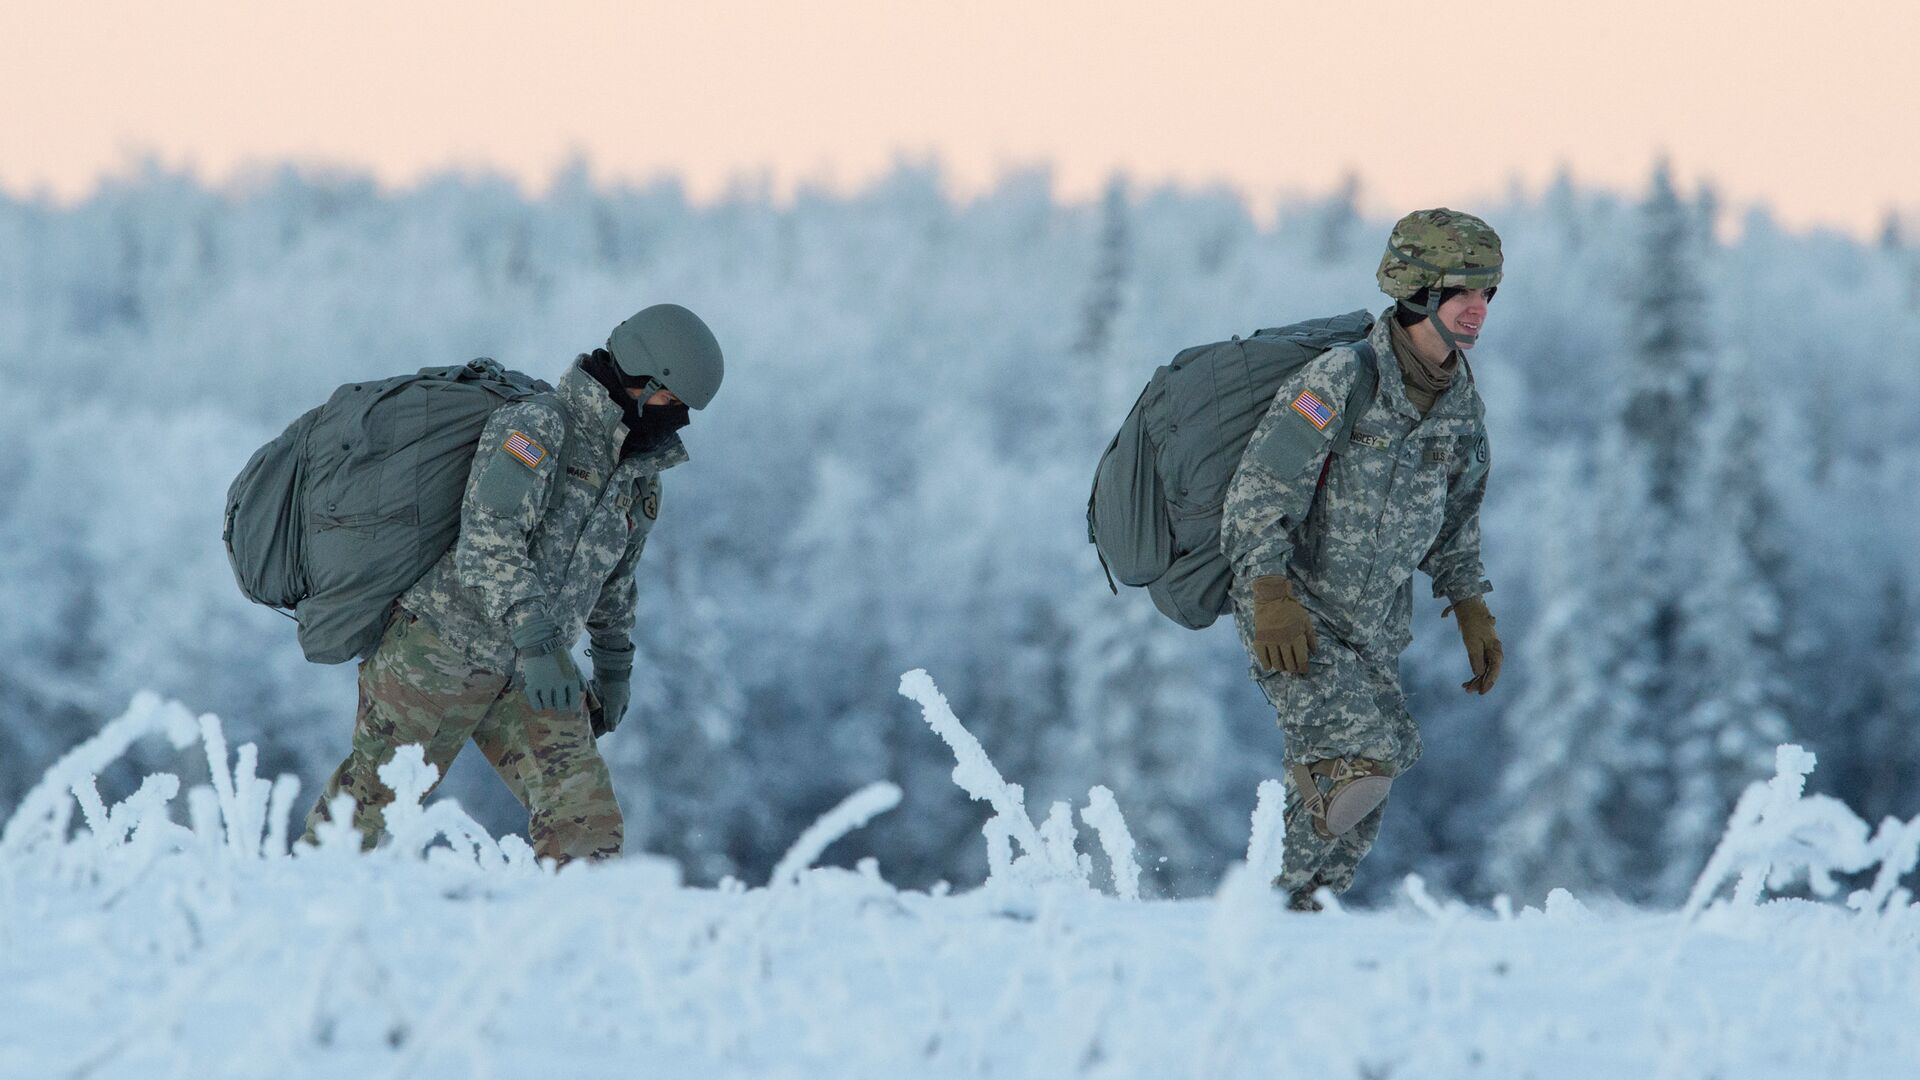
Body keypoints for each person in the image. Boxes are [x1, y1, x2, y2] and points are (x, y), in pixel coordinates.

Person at [301, 303, 724, 863]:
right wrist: (537, 640)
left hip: (532, 669)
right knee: (370, 806)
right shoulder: (539, 427)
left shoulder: (636, 473)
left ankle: (577, 937)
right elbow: (488, 538)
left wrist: (615, 665)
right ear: (642, 379)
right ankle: (293, 913)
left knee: (586, 821)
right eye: (673, 402)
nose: (678, 419)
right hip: (440, 651)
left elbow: (616, 577)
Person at [1221, 209, 1505, 909]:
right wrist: (1271, 595)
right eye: (1462, 291)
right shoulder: (1342, 380)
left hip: (1375, 624)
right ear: (1418, 292)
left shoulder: (1460, 405)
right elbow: (1258, 494)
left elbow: (1458, 517)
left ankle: (1294, 909)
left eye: (1489, 293)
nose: (1479, 308)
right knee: (1355, 765)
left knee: (1374, 770)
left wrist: (1470, 605)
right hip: (1296, 608)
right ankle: (1264, 910)